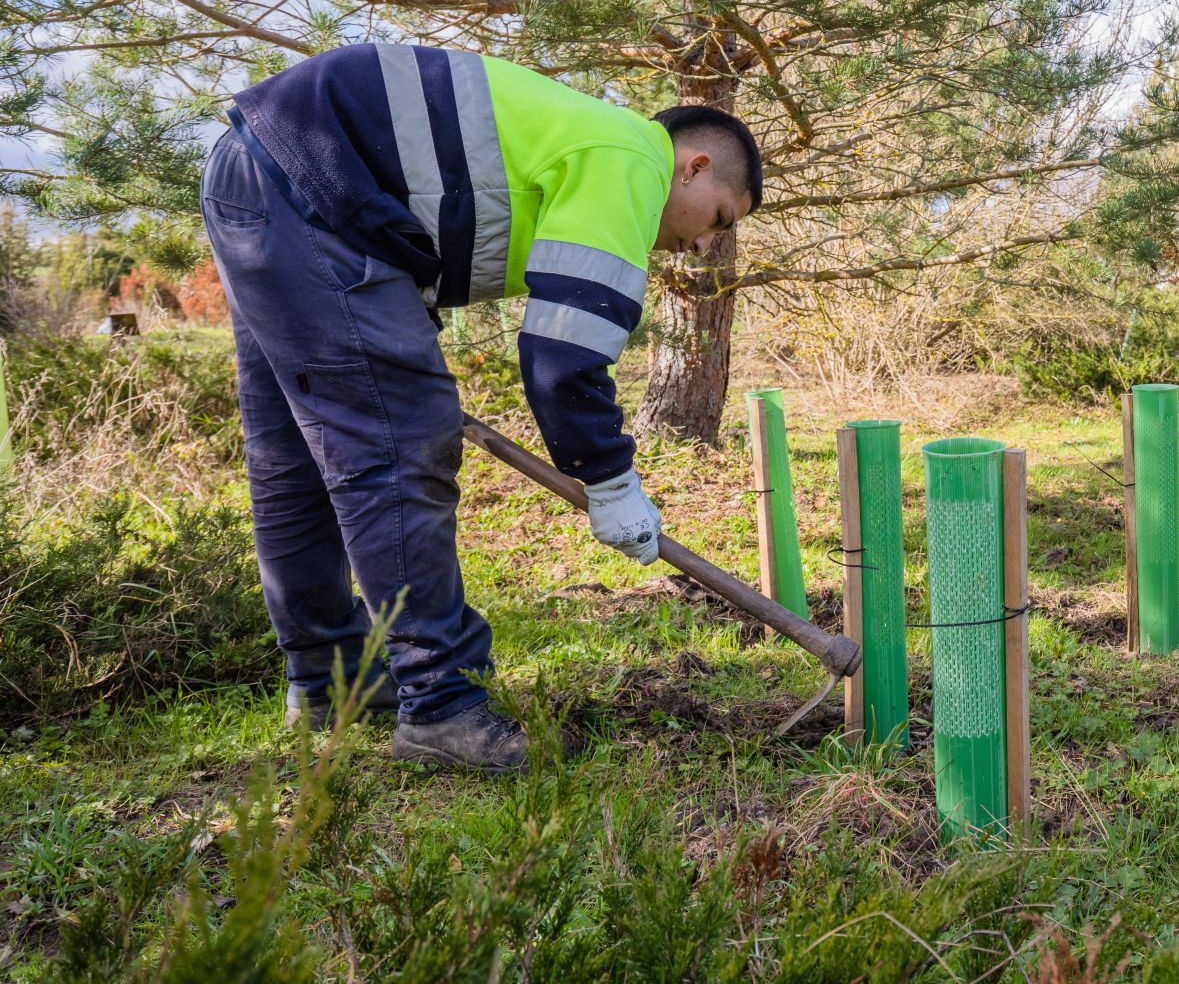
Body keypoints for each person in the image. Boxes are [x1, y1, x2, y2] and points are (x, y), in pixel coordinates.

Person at [199, 43, 761, 772]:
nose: (701, 246)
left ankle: (331, 680)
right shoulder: (633, 155)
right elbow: (564, 355)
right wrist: (610, 478)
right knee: (403, 438)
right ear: (694, 166)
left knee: (296, 457)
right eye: (718, 217)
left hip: (264, 175)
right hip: (314, 186)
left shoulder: (576, 141)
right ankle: (442, 705)